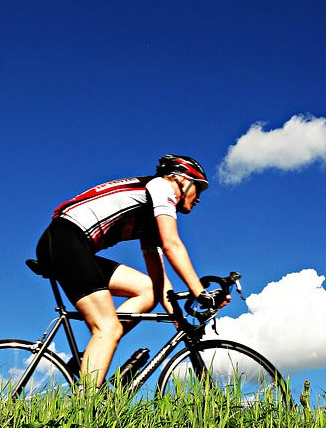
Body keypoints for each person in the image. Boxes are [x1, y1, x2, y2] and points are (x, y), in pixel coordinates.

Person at [35, 154, 225, 387]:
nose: (199, 198)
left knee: (147, 290)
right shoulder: (162, 186)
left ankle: (92, 353)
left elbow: (158, 279)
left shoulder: (150, 216)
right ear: (182, 180)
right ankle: (85, 402)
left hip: (70, 244)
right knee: (108, 328)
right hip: (65, 240)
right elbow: (172, 244)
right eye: (199, 188)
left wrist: (177, 316)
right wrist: (200, 293)